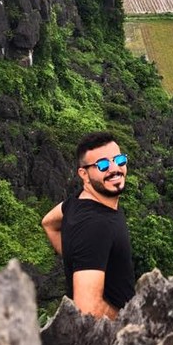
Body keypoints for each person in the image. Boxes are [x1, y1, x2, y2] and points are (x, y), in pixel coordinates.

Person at [41, 132, 135, 319]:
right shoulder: (94, 226)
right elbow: (87, 310)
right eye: (102, 165)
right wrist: (129, 323)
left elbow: (48, 223)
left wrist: (74, 257)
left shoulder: (75, 202)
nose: (115, 169)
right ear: (84, 174)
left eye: (119, 159)